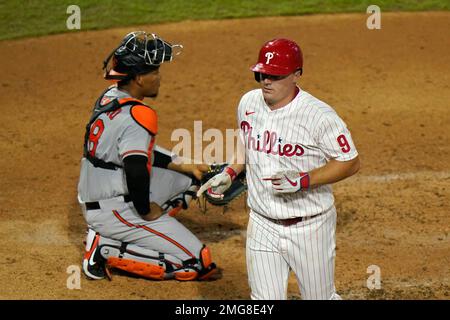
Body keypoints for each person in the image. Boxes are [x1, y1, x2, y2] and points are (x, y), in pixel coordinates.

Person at [198, 38, 360, 299]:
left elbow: (350, 161)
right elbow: (245, 141)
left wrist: (303, 180)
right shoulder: (249, 103)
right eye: (261, 74)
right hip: (262, 223)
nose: (266, 81)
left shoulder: (319, 116)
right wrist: (230, 172)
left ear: (297, 75)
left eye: (275, 75)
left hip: (310, 226)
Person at [78, 31, 218, 281]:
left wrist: (186, 166)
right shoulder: (139, 116)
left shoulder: (110, 96)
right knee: (198, 263)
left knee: (190, 180)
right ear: (139, 79)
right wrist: (146, 211)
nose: (159, 78)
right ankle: (104, 248)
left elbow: (135, 154)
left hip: (98, 194)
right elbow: (135, 169)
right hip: (115, 209)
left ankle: (121, 232)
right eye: (154, 72)